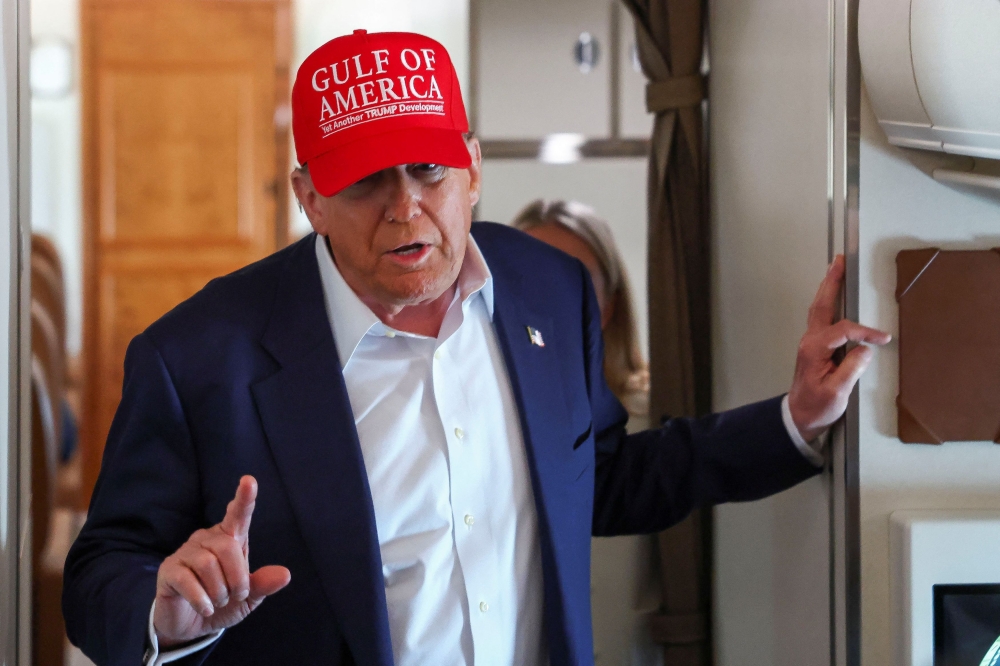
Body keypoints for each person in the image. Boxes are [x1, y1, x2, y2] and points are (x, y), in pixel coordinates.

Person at [63, 30, 891, 666]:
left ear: (473, 168)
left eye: (428, 169)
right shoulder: (199, 355)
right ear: (309, 196)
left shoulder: (546, 288)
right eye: (364, 181)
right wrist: (160, 614)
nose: (405, 208)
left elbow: (599, 477)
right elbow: (101, 568)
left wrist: (795, 418)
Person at [511, 199, 649, 424]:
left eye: (573, 280)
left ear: (608, 308)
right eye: (530, 278)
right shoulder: (479, 407)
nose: (549, 300)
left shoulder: (648, 415)